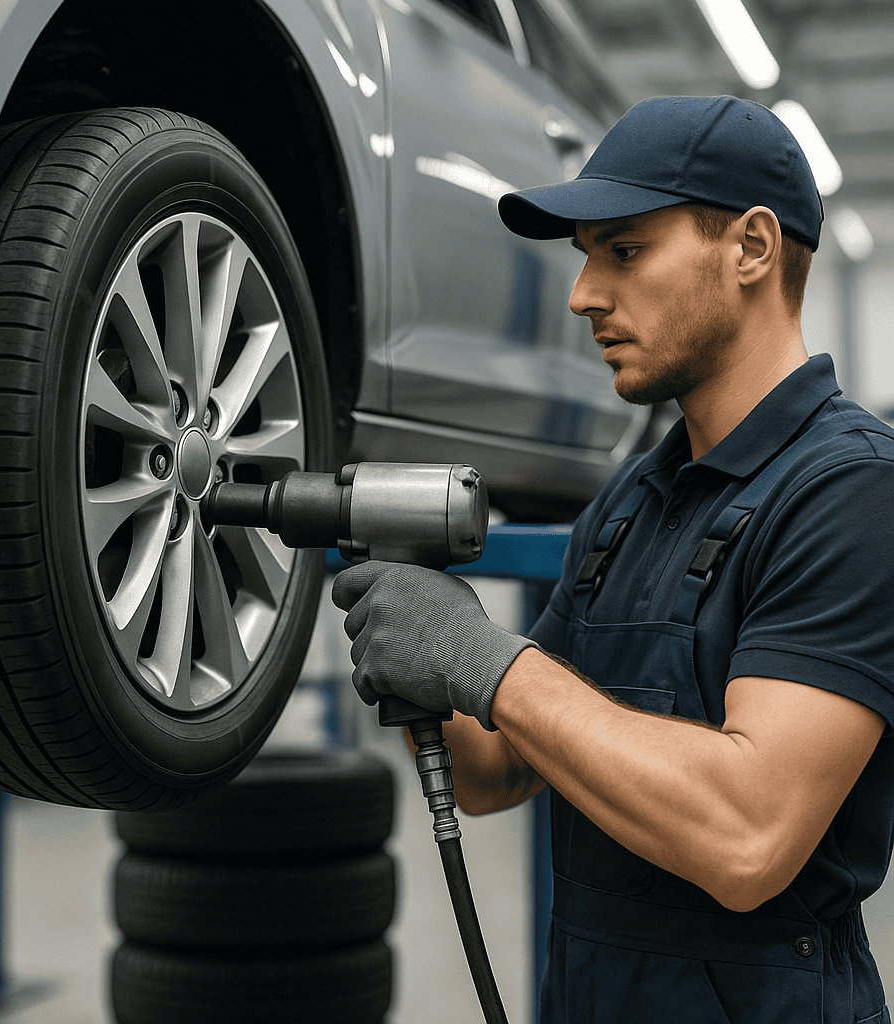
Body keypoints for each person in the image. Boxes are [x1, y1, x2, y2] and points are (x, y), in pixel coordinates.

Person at [331, 95, 894, 1024]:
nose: (583, 294)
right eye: (586, 257)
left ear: (751, 248)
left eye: (624, 251)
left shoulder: (852, 491)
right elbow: (492, 773)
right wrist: (410, 631)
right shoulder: (630, 500)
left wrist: (486, 659)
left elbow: (749, 835)